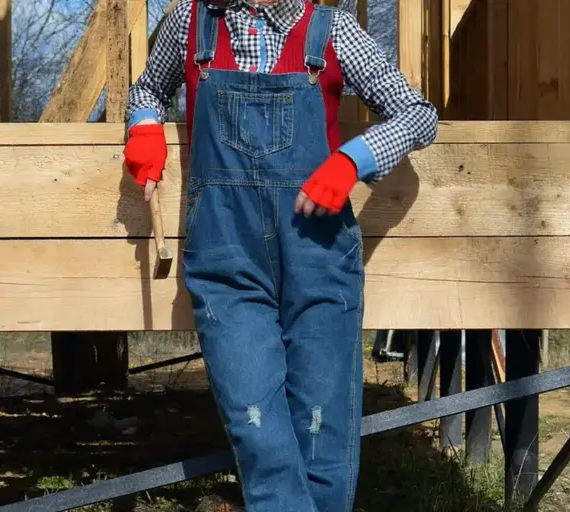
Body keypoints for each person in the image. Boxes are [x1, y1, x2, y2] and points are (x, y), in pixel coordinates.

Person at [123, 1, 438, 510]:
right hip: (226, 265)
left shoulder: (331, 29)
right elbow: (148, 89)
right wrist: (142, 127)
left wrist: (352, 161)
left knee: (322, 434)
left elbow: (418, 115)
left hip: (319, 260)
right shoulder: (193, 21)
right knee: (259, 432)